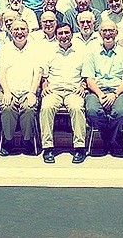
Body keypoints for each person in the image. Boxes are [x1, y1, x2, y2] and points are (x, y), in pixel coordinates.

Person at [39, 23, 87, 164]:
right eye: (60, 33)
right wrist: (44, 85)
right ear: (56, 36)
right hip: (54, 90)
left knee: (77, 108)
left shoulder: (81, 52)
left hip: (73, 91)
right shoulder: (49, 52)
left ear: (72, 34)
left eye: (67, 33)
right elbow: (44, 74)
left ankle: (79, 147)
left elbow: (86, 74)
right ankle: (47, 147)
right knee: (46, 108)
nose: (64, 36)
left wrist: (83, 85)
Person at [83, 20, 123, 157]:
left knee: (120, 112)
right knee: (92, 110)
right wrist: (100, 94)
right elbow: (89, 79)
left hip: (119, 91)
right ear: (100, 33)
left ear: (116, 32)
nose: (108, 33)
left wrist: (114, 94)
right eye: (104, 31)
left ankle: (107, 140)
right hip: (97, 91)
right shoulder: (92, 53)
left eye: (111, 30)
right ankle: (112, 137)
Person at [0, 19, 41, 156]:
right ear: (10, 31)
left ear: (28, 31)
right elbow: (1, 72)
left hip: (28, 91)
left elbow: (38, 72)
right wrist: (7, 91)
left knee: (29, 108)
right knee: (7, 107)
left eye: (23, 29)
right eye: (16, 29)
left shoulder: (36, 48)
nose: (19, 32)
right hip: (8, 90)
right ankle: (8, 141)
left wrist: (32, 92)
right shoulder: (4, 48)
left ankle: (27, 140)